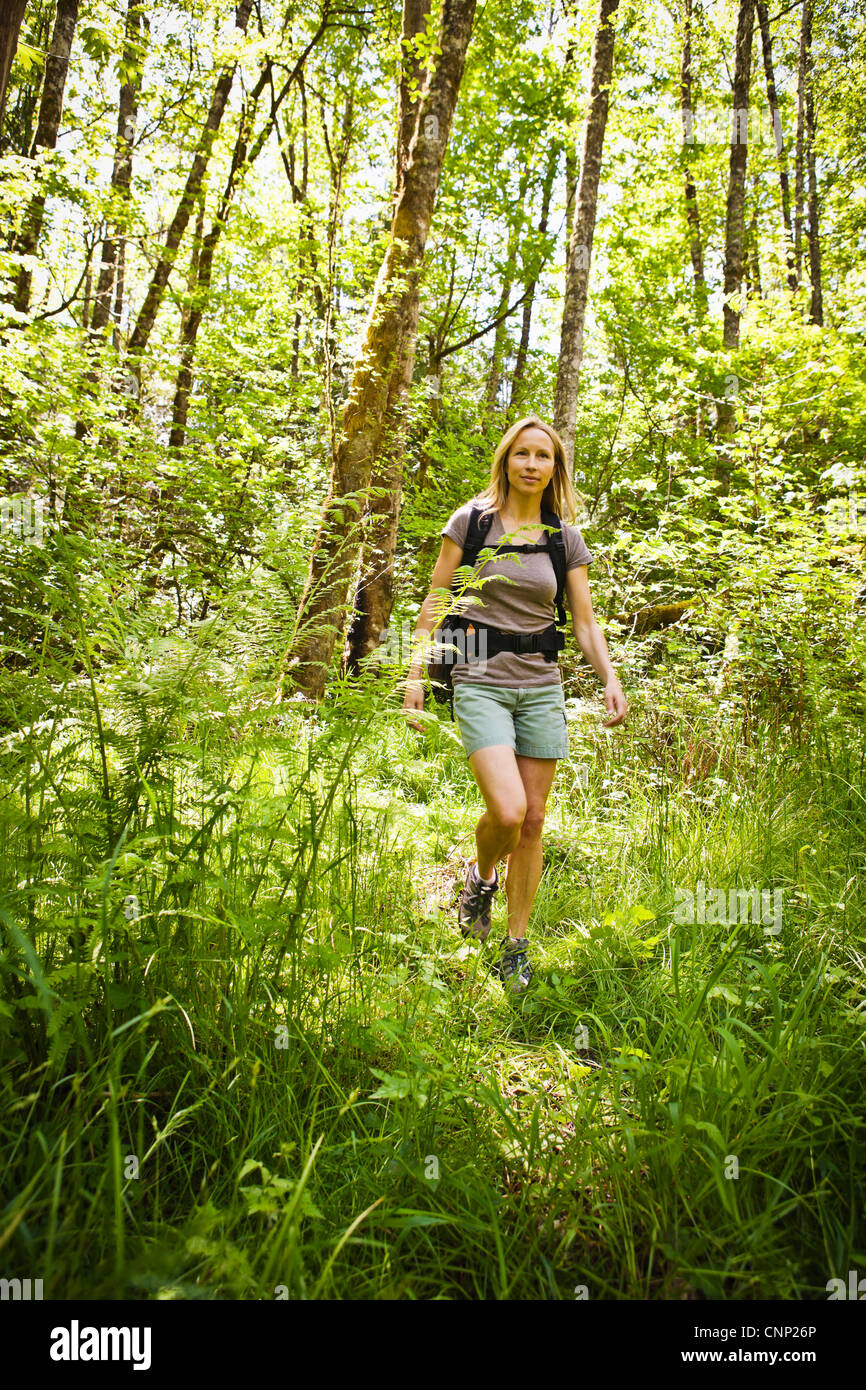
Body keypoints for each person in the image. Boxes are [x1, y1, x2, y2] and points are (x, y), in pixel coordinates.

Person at [403, 415, 628, 994]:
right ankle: (480, 878)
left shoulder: (564, 538)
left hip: (542, 684)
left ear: (555, 468)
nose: (532, 464)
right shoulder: (471, 522)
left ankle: (515, 945)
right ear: (506, 460)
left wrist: (609, 676)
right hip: (479, 676)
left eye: (544, 456)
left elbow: (583, 621)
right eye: (522, 454)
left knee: (532, 821)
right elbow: (434, 598)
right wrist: (414, 676)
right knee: (506, 811)